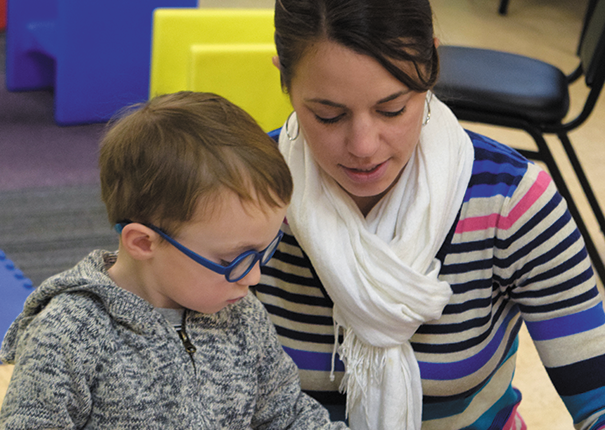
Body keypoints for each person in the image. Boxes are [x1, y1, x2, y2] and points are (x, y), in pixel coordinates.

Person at [254, 1, 605, 429]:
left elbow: (597, 397)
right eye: (329, 115)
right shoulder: (241, 199)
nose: (363, 145)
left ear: (433, 65)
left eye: (392, 109)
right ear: (283, 78)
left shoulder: (510, 201)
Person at [0, 91, 349, 429]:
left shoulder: (242, 315)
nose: (254, 277)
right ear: (143, 242)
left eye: (263, 252)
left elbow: (286, 417)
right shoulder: (68, 332)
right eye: (233, 259)